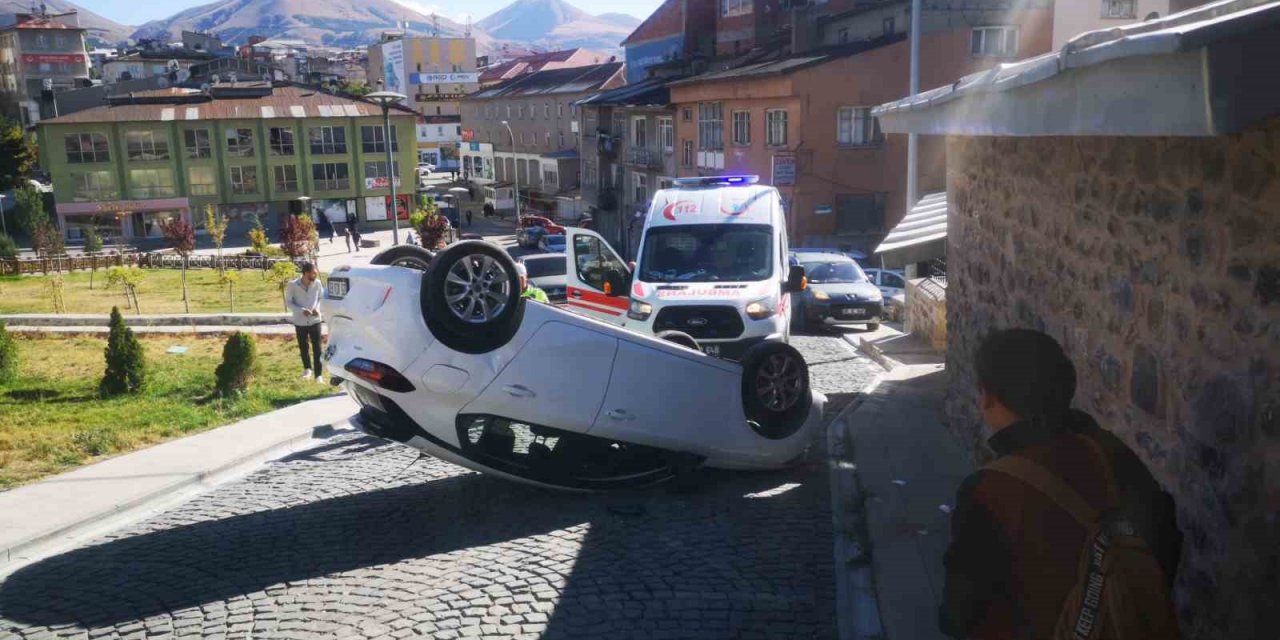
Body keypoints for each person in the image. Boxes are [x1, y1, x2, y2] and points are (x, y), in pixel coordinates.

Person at [940, 329, 1182, 640]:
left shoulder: (989, 490)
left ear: (988, 397)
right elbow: (1163, 539)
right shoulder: (1110, 452)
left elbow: (958, 616)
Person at [286, 262, 326, 384]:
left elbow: (321, 298)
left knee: (317, 348)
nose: (315, 274)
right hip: (300, 321)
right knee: (304, 347)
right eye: (313, 272)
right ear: (306, 273)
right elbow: (289, 302)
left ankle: (318, 375)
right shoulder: (293, 285)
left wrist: (317, 309)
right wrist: (301, 310)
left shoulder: (318, 283)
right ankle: (307, 369)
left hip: (315, 320)